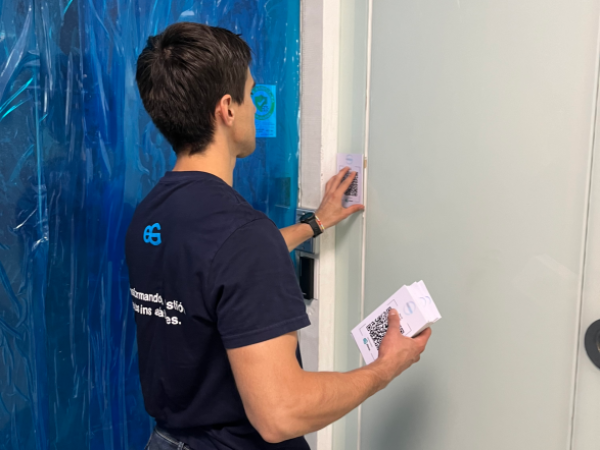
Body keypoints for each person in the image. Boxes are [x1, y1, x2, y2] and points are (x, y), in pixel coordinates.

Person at [126, 22, 432, 450]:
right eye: (251, 94)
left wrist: (315, 224)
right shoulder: (241, 237)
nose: (255, 108)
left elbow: (214, 267)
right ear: (227, 109)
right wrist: (385, 367)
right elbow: (280, 413)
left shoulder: (151, 214)